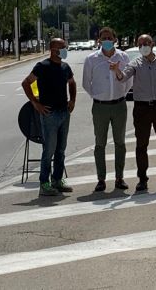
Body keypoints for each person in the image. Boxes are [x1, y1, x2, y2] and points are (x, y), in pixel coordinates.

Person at [110, 34, 156, 192]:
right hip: (141, 109)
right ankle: (142, 179)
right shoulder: (135, 64)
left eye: (146, 43)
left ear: (152, 44)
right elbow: (123, 77)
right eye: (140, 44)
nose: (143, 46)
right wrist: (117, 71)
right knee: (141, 145)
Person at [21, 38, 76, 197]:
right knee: (49, 150)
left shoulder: (65, 67)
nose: (64, 50)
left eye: (65, 47)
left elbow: (72, 83)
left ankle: (57, 180)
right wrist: (35, 103)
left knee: (61, 149)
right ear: (53, 49)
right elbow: (26, 83)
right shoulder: (42, 67)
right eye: (61, 47)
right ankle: (44, 183)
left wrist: (72, 100)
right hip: (49, 114)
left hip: (64, 113)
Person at [82, 27, 132, 192]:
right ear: (99, 40)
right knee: (100, 144)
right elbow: (86, 83)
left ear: (115, 39)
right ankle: (101, 179)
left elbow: (128, 81)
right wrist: (98, 95)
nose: (107, 40)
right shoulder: (91, 59)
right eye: (104, 38)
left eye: (110, 37)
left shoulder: (123, 57)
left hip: (119, 105)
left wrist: (121, 94)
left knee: (120, 143)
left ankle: (119, 178)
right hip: (100, 107)